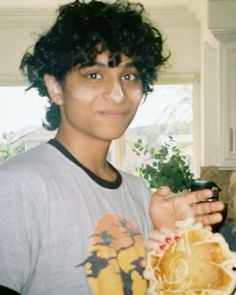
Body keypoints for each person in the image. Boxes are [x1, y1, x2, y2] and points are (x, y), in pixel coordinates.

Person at [0, 1, 224, 294]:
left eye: (129, 76)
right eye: (94, 74)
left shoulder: (137, 191)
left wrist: (168, 243)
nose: (118, 93)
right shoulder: (16, 186)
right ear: (55, 87)